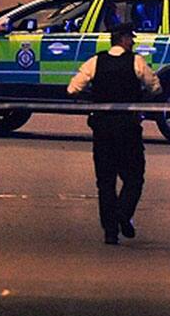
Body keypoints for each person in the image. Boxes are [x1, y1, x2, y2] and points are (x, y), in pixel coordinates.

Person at [67, 22, 162, 245]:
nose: (133, 41)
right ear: (122, 38)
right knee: (134, 177)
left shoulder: (95, 61)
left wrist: (94, 97)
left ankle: (110, 231)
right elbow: (156, 88)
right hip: (128, 129)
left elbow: (73, 89)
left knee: (106, 181)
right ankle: (123, 214)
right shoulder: (136, 61)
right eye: (131, 37)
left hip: (102, 129)